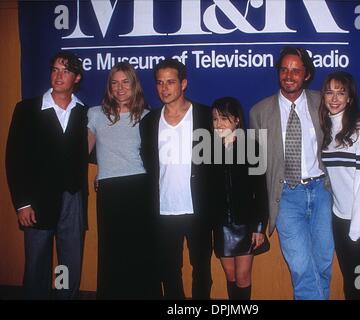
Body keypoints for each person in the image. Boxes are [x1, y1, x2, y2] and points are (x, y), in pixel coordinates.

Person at [249, 47, 360, 300]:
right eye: (284, 69)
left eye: (296, 70)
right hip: (286, 196)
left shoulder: (321, 102)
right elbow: (255, 167)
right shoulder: (259, 112)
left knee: (322, 265)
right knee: (300, 266)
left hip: (324, 193)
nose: (289, 75)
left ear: (306, 74)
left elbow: (351, 128)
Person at [5, 51, 88, 299]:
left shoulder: (84, 112)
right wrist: (22, 203)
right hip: (37, 202)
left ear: (77, 78)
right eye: (55, 69)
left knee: (68, 264)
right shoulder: (27, 109)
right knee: (37, 265)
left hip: (73, 200)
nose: (58, 75)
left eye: (65, 71)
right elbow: (14, 159)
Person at [139, 58, 214, 299]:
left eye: (170, 82)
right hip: (163, 209)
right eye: (159, 83)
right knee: (168, 270)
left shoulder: (204, 115)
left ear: (183, 84)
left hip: (198, 208)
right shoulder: (149, 121)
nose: (164, 88)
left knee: (202, 270)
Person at [87, 61, 161, 299]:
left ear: (134, 84)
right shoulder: (95, 114)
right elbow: (81, 153)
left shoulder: (149, 117)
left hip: (140, 188)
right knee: (111, 252)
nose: (119, 88)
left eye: (125, 82)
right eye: (114, 83)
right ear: (109, 86)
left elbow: (155, 157)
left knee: (142, 251)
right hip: (109, 189)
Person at [319, 72, 360, 300]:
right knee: (351, 283)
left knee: (358, 282)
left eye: (341, 92)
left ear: (350, 98)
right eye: (330, 92)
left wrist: (357, 230)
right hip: (340, 217)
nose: (335, 98)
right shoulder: (326, 129)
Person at [211, 97, 269, 300]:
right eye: (215, 119)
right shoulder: (207, 150)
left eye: (224, 119)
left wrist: (259, 227)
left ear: (236, 120)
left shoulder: (251, 147)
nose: (219, 124)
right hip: (221, 224)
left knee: (243, 276)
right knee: (231, 275)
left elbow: (261, 191)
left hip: (246, 224)